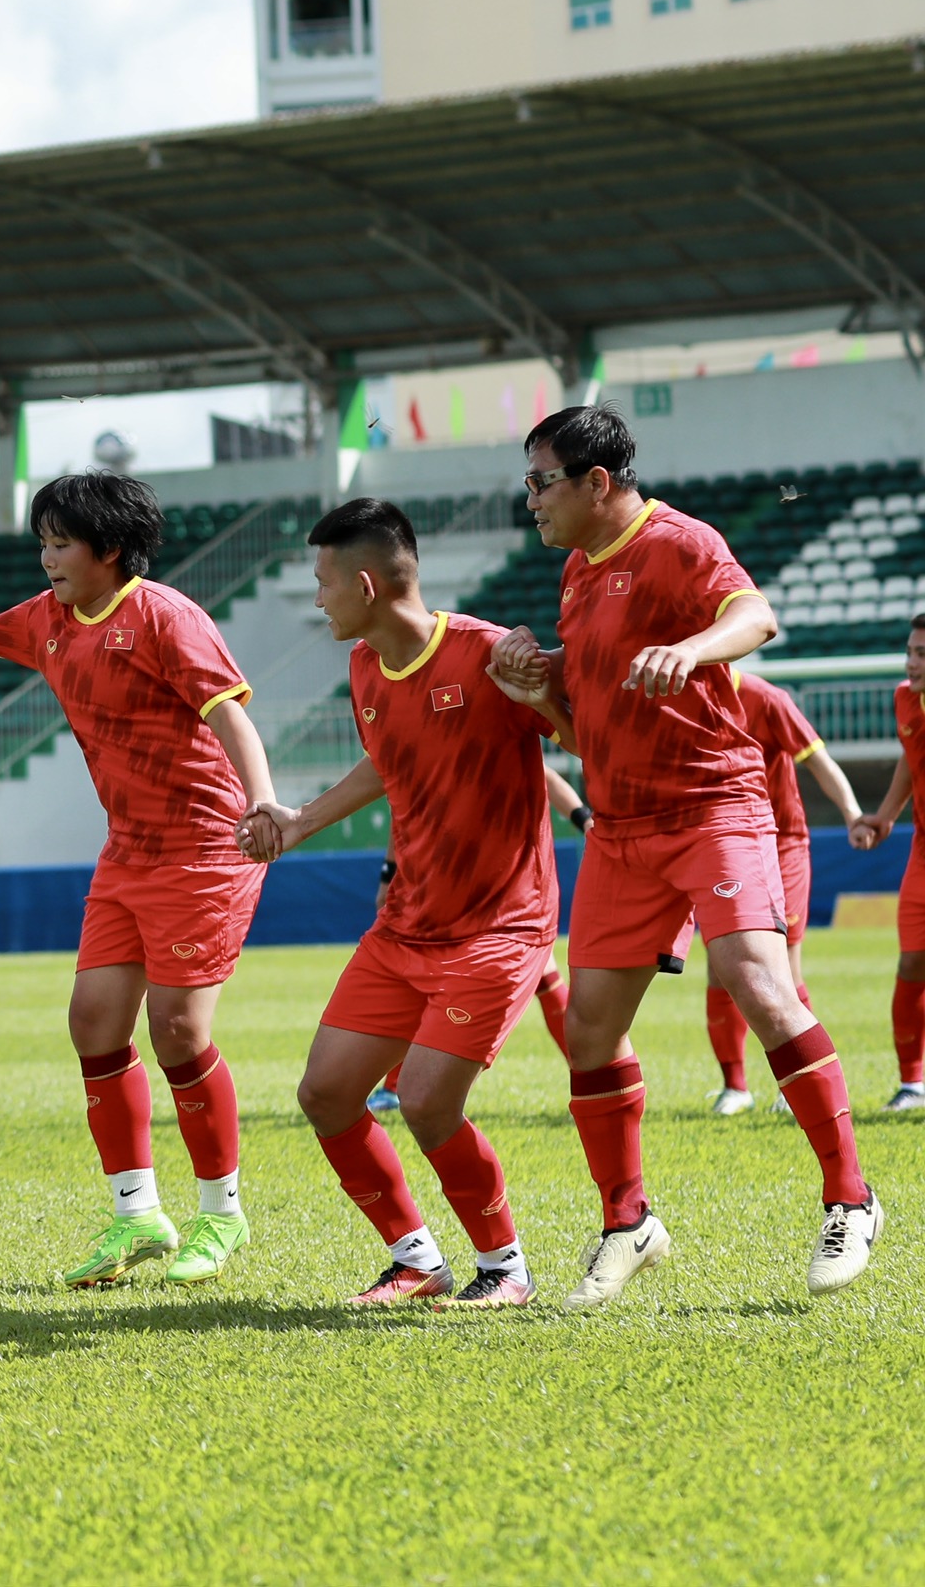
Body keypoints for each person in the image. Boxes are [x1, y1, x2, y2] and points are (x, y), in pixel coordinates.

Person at [0, 470, 281, 1290]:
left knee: (177, 1030)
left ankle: (222, 1214)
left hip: (206, 845)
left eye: (60, 543)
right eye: (42, 542)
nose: (47, 558)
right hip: (128, 851)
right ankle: (137, 1214)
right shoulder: (48, 620)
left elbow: (228, 712)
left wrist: (265, 802)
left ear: (109, 547)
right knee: (94, 1022)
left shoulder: (166, 616)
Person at [492, 405, 877, 1307]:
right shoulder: (579, 575)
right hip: (623, 826)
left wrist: (694, 648)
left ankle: (853, 1198)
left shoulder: (679, 541)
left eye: (541, 482)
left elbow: (757, 615)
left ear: (597, 483)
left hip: (713, 806)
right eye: (527, 483)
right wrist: (536, 685)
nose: (531, 501)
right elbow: (589, 732)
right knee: (589, 1028)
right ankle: (628, 1223)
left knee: (757, 982)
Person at [242, 499, 575, 1308]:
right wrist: (299, 820)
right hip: (406, 927)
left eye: (323, 582)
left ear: (364, 582)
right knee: (325, 1094)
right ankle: (417, 1261)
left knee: (425, 1100)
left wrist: (539, 698)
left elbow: (579, 728)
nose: (317, 599)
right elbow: (385, 763)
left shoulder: (489, 652)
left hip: (501, 926)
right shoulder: (364, 666)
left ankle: (506, 1268)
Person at [365, 767, 584, 1114]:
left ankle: (597, 1077)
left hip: (495, 876)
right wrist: (389, 874)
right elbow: (400, 803)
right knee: (543, 976)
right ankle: (597, 1077)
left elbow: (545, 774)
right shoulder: (419, 733)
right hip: (457, 875)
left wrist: (584, 819)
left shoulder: (486, 727)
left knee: (428, 977)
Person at [704, 669, 868, 1114]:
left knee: (783, 969)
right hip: (718, 843)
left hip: (780, 844)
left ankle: (795, 1085)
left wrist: (853, 813)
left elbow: (818, 760)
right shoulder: (683, 695)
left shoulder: (766, 698)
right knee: (719, 966)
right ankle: (735, 1088)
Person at [849, 617, 925, 1109]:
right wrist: (886, 817)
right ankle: (913, 1084)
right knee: (913, 961)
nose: (911, 662)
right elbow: (910, 755)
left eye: (922, 655)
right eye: (910, 651)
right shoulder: (905, 699)